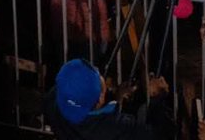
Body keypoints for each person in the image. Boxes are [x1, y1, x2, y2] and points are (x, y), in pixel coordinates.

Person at [44, 58, 172, 139]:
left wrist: (116, 98)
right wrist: (158, 97)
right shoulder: (116, 127)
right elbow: (161, 133)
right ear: (99, 100)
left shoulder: (54, 103)